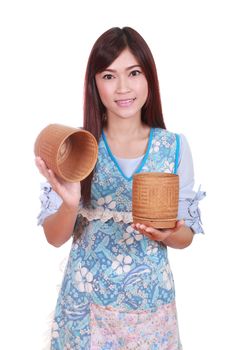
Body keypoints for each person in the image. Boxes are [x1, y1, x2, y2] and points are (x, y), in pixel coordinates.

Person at [36, 26, 205, 350]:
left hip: (151, 303)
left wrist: (168, 234)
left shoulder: (173, 147)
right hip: (84, 304)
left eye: (134, 72)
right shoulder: (77, 146)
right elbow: (54, 237)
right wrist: (70, 204)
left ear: (149, 78)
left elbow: (186, 236)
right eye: (109, 76)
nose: (123, 87)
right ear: (94, 82)